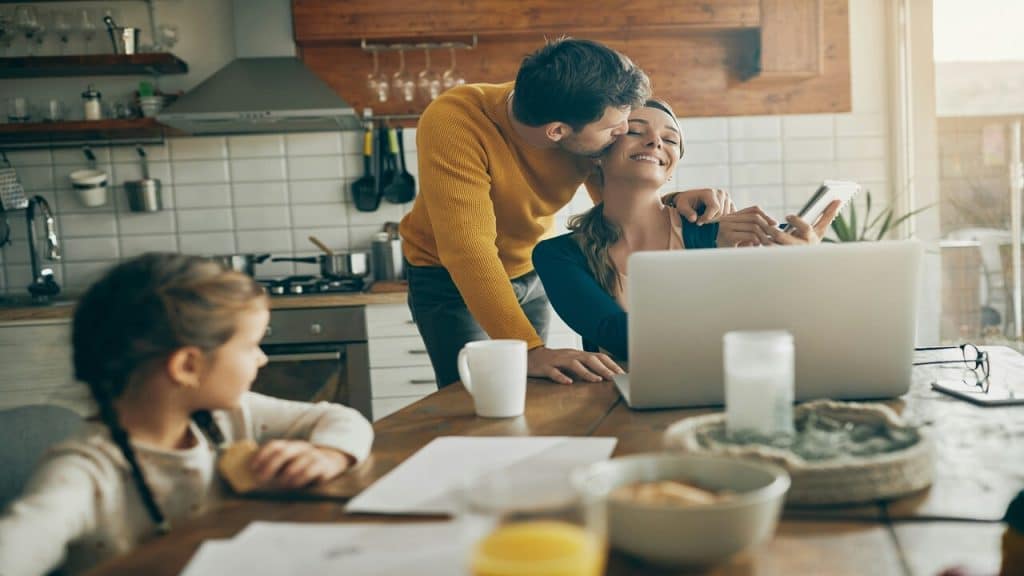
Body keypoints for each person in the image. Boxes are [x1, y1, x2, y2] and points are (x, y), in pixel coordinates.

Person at [0, 254, 374, 576]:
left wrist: (327, 454)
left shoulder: (226, 417)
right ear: (187, 366)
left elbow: (343, 420)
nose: (262, 359)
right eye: (250, 346)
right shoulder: (85, 473)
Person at [400, 37, 735, 387]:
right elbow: (468, 249)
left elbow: (618, 198)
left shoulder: (578, 105)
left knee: (533, 393)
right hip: (452, 277)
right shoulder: (457, 122)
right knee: (477, 397)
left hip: (528, 267)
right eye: (615, 129)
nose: (622, 134)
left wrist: (675, 201)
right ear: (556, 133)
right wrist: (529, 349)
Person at [533, 99, 840, 360]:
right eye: (636, 131)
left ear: (673, 165)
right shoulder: (559, 255)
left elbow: (779, 326)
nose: (655, 142)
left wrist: (803, 268)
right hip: (621, 405)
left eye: (670, 140)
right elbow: (620, 337)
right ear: (599, 153)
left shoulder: (718, 233)